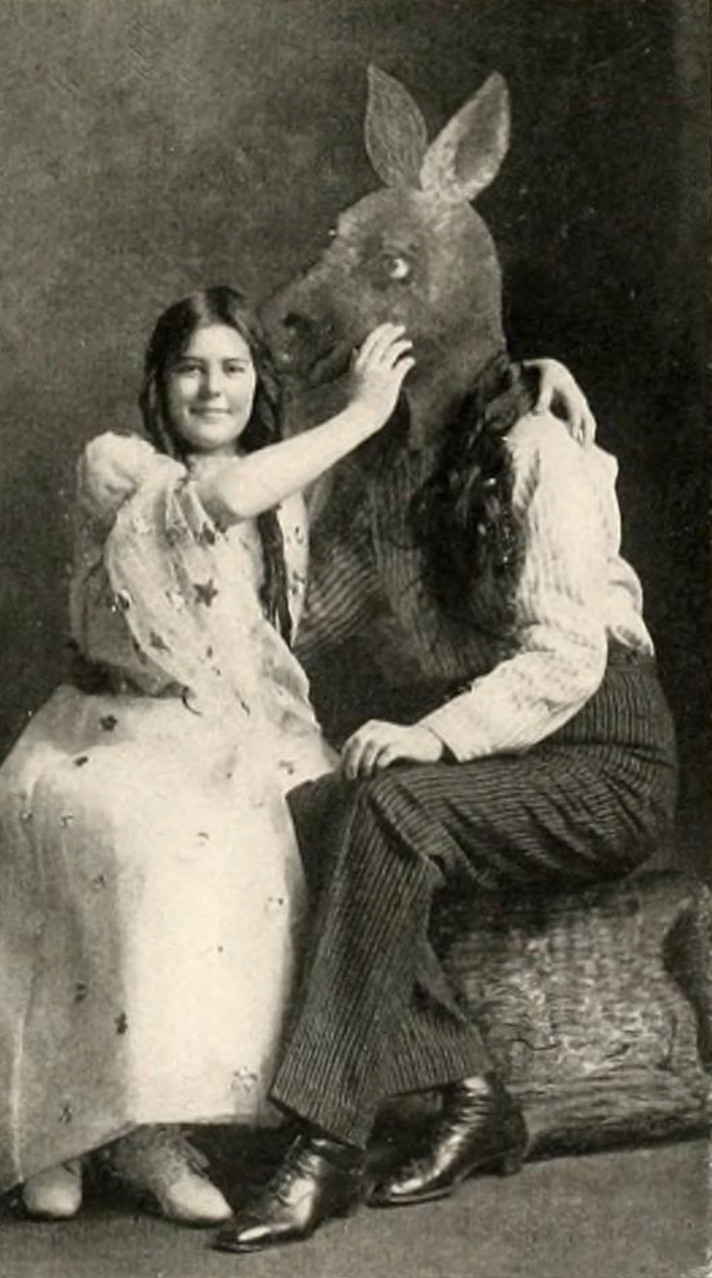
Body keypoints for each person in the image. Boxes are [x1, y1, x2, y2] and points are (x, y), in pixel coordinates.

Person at [0, 285, 589, 1227]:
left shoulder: (287, 495)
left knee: (322, 823)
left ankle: (148, 1135)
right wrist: (361, 414)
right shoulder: (121, 466)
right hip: (106, 732)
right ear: (158, 385)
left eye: (233, 368)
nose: (212, 388)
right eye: (190, 369)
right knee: (138, 832)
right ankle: (70, 1130)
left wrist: (525, 381)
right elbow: (218, 501)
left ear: (258, 384)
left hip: (227, 732)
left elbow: (291, 548)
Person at [214, 349, 678, 1252]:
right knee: (312, 811)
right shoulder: (387, 492)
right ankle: (472, 1095)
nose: (386, 396)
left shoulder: (537, 448)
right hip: (513, 751)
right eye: (366, 384)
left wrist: (434, 735)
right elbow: (298, 620)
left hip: (607, 752)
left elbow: (569, 657)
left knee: (392, 809)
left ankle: (327, 1143)